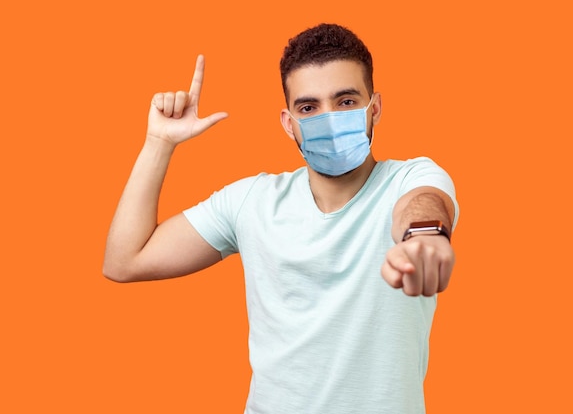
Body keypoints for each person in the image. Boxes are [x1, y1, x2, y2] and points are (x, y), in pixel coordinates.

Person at [104, 23, 459, 414]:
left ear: (374, 109)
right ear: (289, 123)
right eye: (309, 107)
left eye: (345, 102)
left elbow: (423, 204)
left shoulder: (410, 178)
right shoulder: (252, 201)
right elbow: (125, 260)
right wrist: (159, 143)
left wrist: (424, 237)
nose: (328, 118)